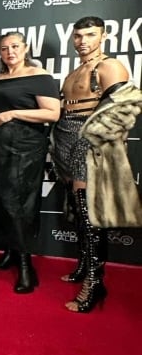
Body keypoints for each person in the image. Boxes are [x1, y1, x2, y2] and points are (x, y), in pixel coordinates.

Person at [53, 16, 129, 312]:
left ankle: (95, 285)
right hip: (66, 137)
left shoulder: (109, 66)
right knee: (78, 208)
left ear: (104, 36)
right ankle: (85, 266)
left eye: (90, 35)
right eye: (78, 36)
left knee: (89, 211)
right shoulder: (75, 71)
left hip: (91, 137)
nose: (83, 41)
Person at [0, 32, 60, 293]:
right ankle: (11, 252)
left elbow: (52, 112)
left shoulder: (40, 76)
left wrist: (12, 113)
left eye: (15, 46)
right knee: (0, 203)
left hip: (24, 150)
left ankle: (26, 266)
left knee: (20, 204)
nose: (10, 51)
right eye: (4, 48)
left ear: (25, 48)